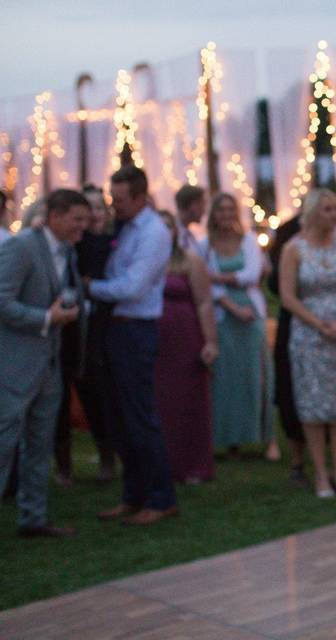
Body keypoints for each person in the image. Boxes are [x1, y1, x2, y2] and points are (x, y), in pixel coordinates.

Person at [89, 165, 178, 526]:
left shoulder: (153, 233)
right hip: (115, 329)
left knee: (141, 416)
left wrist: (89, 287)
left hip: (136, 330)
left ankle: (161, 497)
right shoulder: (122, 229)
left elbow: (132, 287)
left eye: (121, 199)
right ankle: (133, 494)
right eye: (113, 198)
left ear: (141, 197)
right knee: (120, 418)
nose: (115, 205)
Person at [0, 189, 88, 538]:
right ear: (55, 216)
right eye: (77, 219)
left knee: (40, 444)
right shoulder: (21, 247)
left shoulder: (68, 251)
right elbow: (1, 301)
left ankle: (33, 518)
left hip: (50, 366)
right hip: (14, 367)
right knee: (4, 443)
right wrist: (45, 318)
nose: (85, 225)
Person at [280, 189, 336, 498]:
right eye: (328, 209)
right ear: (314, 212)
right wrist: (320, 325)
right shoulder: (294, 249)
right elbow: (287, 296)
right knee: (313, 405)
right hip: (308, 336)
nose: (335, 213)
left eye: (335, 208)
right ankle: (320, 475)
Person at [200, 193, 272, 456]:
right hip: (222, 313)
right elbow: (204, 283)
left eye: (231, 209)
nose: (226, 215)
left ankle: (265, 436)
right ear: (213, 214)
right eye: (221, 210)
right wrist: (231, 304)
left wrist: (219, 276)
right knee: (226, 379)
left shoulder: (249, 240)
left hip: (251, 313)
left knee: (256, 374)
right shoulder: (204, 245)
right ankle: (230, 439)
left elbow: (251, 274)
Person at [155, 210, 218, 484]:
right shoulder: (144, 261)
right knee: (159, 402)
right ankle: (161, 464)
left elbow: (204, 302)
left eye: (168, 227)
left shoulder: (190, 260)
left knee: (188, 401)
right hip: (155, 340)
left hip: (185, 337)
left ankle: (193, 465)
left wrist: (210, 341)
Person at [73, 184, 117, 482]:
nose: (95, 215)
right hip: (83, 325)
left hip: (111, 322)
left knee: (109, 390)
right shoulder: (76, 245)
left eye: (99, 208)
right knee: (89, 387)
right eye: (89, 210)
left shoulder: (117, 241)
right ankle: (101, 452)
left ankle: (110, 455)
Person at [267, 208, 307, 484]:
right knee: (291, 390)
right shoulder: (289, 239)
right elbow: (277, 288)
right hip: (293, 325)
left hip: (330, 326)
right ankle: (297, 459)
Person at [173, 184, 205, 255]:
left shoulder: (188, 235)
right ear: (193, 205)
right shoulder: (172, 234)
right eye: (202, 204)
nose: (204, 210)